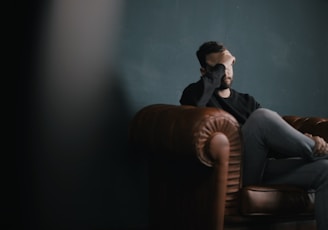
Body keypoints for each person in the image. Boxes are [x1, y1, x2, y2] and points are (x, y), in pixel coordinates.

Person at [180, 41, 328, 230]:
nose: (226, 71)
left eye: (229, 65)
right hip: (236, 175)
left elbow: (271, 143)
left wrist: (300, 139)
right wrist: (221, 65)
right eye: (220, 66)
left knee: (325, 169)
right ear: (204, 71)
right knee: (262, 117)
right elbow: (193, 106)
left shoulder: (247, 101)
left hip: (262, 170)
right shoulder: (195, 94)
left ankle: (316, 150)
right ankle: (315, 149)